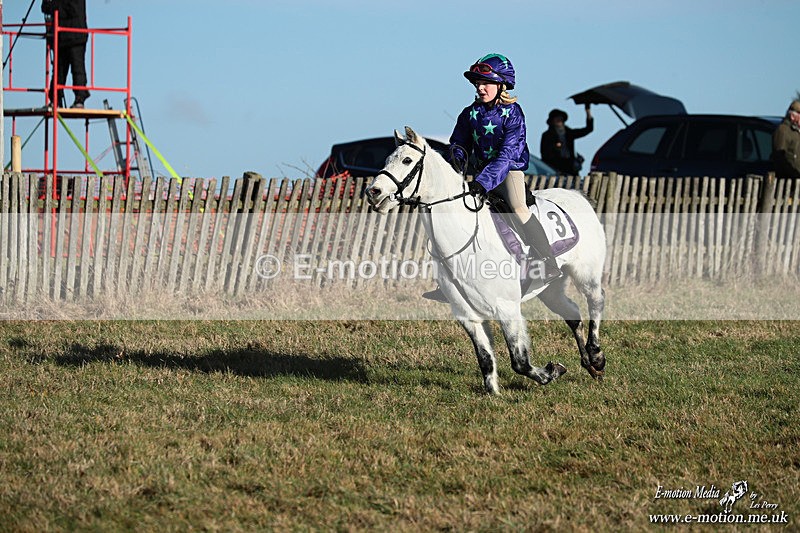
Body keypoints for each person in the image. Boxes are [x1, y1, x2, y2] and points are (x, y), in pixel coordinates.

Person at [423, 53, 561, 302]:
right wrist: (456, 156)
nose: (480, 87)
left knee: (518, 208)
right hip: (479, 175)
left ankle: (547, 262)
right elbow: (458, 144)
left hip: (508, 171)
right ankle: (450, 280)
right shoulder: (469, 114)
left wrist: (482, 182)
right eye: (477, 82)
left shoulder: (513, 113)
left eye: (486, 82)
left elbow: (507, 155)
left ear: (502, 85)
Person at [42, 0, 89, 108]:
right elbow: (45, 8)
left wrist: (53, 6)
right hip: (61, 36)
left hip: (75, 35)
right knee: (59, 71)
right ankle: (56, 99)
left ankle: (79, 99)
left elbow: (71, 9)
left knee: (77, 69)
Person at [540, 106, 593, 175]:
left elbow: (588, 129)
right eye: (557, 119)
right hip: (554, 169)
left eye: (561, 119)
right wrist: (555, 147)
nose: (559, 121)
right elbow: (544, 153)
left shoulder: (569, 133)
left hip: (570, 168)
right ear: (552, 121)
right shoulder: (547, 135)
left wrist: (588, 112)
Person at [771, 96, 800, 178]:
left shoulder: (796, 132)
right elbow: (780, 157)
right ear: (792, 116)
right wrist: (793, 174)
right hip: (787, 180)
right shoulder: (783, 130)